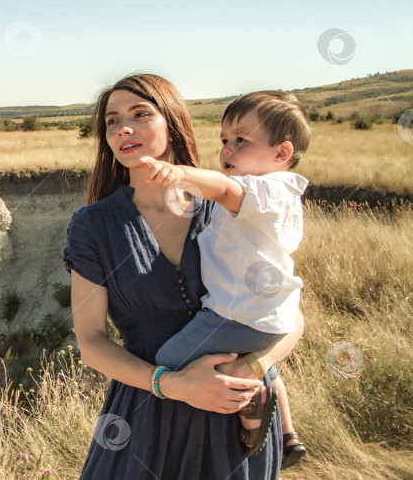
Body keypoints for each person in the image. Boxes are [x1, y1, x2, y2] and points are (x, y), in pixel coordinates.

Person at [64, 74, 304, 479]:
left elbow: (292, 316)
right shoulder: (93, 225)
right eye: (112, 121)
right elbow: (91, 343)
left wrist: (250, 367)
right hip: (146, 414)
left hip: (237, 419)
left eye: (141, 114)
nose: (123, 128)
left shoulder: (228, 204)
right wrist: (173, 385)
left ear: (172, 121)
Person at [144, 91, 310, 466]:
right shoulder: (271, 192)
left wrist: (180, 174)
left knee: (167, 361)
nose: (227, 150)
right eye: (223, 140)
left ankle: (250, 394)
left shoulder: (266, 189)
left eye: (241, 141)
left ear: (282, 153)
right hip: (262, 315)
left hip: (236, 313)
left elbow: (222, 188)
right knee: (258, 358)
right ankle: (286, 431)